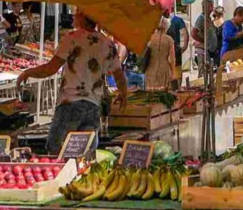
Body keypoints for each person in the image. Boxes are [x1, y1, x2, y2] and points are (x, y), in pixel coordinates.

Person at [15, 11, 127, 155]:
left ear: (83, 18)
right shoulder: (107, 43)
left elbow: (50, 68)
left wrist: (28, 73)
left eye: (77, 13)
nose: (74, 15)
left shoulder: (72, 38)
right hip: (93, 105)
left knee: (57, 150)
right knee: (86, 152)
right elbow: (119, 74)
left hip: (70, 103)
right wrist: (123, 93)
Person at [142, 16, 177, 90]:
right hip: (164, 70)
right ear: (167, 26)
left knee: (150, 92)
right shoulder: (169, 40)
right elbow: (172, 59)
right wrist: (173, 73)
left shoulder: (149, 38)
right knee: (163, 92)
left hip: (150, 69)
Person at [166, 11, 189, 76]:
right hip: (175, 50)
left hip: (163, 51)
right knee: (177, 72)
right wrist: (184, 47)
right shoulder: (178, 20)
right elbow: (185, 34)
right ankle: (178, 82)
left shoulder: (160, 21)